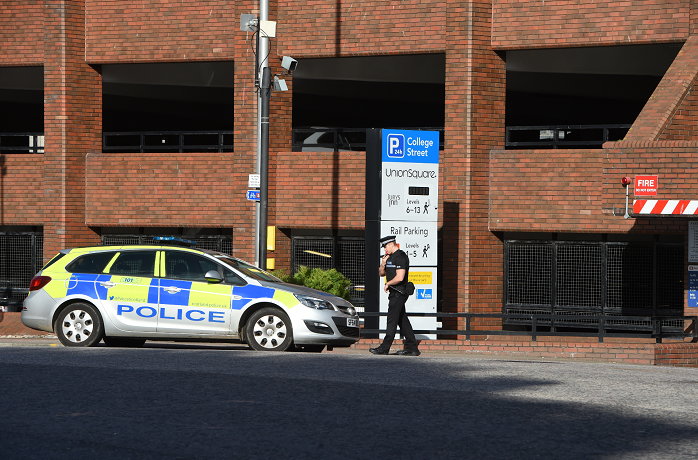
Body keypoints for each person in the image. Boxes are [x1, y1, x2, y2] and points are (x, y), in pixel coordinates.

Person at [369, 235, 420, 356]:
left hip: (399, 292)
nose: (385, 249)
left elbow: (400, 277)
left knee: (391, 320)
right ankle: (413, 348)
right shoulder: (390, 258)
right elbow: (382, 273)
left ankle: (384, 348)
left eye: (386, 246)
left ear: (392, 244)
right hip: (394, 293)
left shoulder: (401, 257)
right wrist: (383, 263)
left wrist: (388, 283)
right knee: (402, 321)